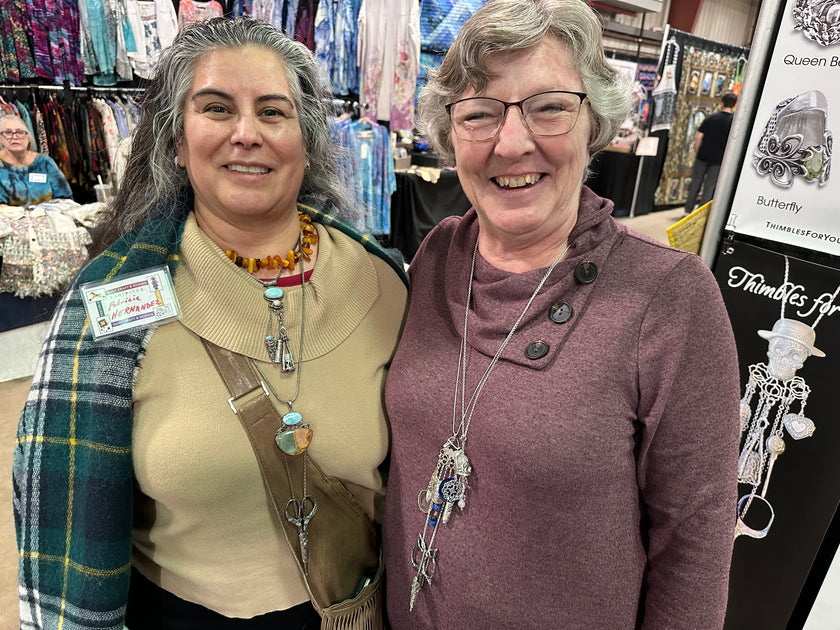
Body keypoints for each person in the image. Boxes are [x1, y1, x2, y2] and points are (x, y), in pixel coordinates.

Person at [14, 16, 407, 630]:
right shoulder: (114, 300)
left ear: (306, 139)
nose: (246, 134)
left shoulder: (383, 284)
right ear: (176, 140)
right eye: (217, 108)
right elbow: (64, 511)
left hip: (350, 610)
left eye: (274, 112)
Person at [381, 1, 740, 628]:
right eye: (480, 114)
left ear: (593, 121)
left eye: (549, 107)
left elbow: (695, 541)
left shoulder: (670, 299)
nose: (512, 142)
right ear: (450, 132)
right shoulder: (437, 254)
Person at [0, 114, 72, 205]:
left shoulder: (44, 162)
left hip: (50, 216)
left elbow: (65, 198)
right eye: (8, 133)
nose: (15, 137)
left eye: (20, 132)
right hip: (11, 218)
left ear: (28, 137)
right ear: (1, 138)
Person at [684, 91, 738, 213]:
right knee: (710, 186)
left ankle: (688, 210)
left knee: (695, 183)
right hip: (719, 159)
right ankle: (700, 213)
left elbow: (698, 137)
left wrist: (697, 152)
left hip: (703, 156)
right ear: (734, 104)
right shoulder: (734, 122)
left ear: (722, 102)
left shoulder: (710, 118)